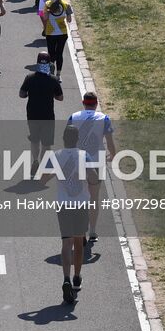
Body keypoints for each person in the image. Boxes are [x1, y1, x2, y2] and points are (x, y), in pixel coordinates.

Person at [68, 91, 117, 245]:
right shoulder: (104, 118)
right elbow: (109, 142)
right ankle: (93, 231)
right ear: (96, 104)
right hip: (96, 162)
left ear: (83, 103)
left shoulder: (73, 117)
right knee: (94, 198)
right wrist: (113, 155)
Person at [53, 127, 91, 304]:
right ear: (77, 139)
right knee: (78, 242)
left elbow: (42, 179)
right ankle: (77, 277)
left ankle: (66, 278)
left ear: (63, 138)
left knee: (66, 243)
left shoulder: (56, 156)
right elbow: (94, 178)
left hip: (63, 204)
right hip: (81, 204)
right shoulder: (84, 155)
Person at [20, 51, 64, 165]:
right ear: (49, 63)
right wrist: (51, 93)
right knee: (46, 143)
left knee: (34, 140)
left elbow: (21, 94)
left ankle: (35, 160)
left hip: (32, 114)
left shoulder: (30, 78)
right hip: (47, 116)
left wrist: (29, 94)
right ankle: (43, 163)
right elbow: (60, 97)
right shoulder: (53, 79)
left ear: (37, 63)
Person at [42, 0, 72, 77]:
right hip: (62, 33)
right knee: (59, 53)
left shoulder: (47, 4)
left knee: (51, 54)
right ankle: (58, 74)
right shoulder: (66, 4)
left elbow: (45, 18)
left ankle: (51, 73)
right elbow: (69, 20)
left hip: (50, 32)